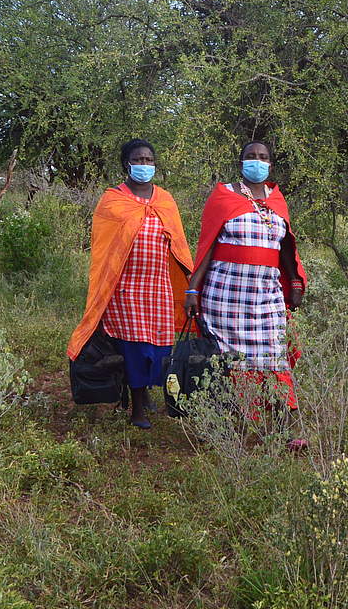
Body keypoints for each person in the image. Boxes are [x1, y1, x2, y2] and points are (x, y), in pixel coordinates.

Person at [68, 139, 195, 429]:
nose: (145, 165)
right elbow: (104, 252)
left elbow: (179, 245)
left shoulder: (165, 199)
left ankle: (146, 393)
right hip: (125, 289)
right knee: (136, 349)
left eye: (149, 160)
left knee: (160, 346)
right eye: (139, 160)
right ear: (127, 163)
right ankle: (137, 408)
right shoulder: (113, 201)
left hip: (159, 287)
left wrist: (189, 285)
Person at [184, 140, 306, 422]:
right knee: (229, 360)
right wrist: (192, 288)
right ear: (241, 163)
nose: (257, 161)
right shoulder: (223, 196)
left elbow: (287, 246)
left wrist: (296, 284)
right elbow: (208, 247)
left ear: (271, 164)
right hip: (225, 297)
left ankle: (284, 426)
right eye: (251, 156)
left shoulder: (276, 199)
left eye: (263, 157)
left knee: (274, 353)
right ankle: (234, 420)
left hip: (266, 296)